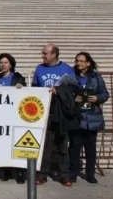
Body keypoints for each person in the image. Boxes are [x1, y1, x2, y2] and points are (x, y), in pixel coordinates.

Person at [32, 44, 75, 187]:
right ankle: (42, 174)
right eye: (43, 53)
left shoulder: (66, 69)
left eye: (45, 53)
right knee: (45, 145)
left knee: (62, 144)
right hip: (45, 112)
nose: (43, 56)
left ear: (54, 54)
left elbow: (73, 88)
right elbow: (35, 87)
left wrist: (59, 91)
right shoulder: (39, 68)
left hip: (60, 112)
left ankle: (64, 175)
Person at [69, 52, 109, 184]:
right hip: (77, 117)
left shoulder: (96, 77)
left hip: (92, 117)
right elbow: (66, 93)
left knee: (90, 149)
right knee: (74, 147)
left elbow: (105, 94)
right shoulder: (71, 76)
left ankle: (90, 174)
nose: (78, 63)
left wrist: (97, 98)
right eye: (77, 61)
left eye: (81, 61)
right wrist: (73, 98)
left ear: (88, 63)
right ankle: (73, 173)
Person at [0, 53, 27, 184]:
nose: (3, 65)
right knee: (4, 145)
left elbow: (24, 92)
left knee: (16, 144)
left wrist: (21, 88)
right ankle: (6, 171)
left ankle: (20, 172)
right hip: (1, 116)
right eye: (1, 63)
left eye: (5, 62)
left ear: (11, 64)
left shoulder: (17, 77)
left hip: (14, 115)